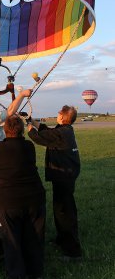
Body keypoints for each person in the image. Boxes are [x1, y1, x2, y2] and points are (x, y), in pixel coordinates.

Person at [0, 115, 46, 279]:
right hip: (34, 199)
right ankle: (35, 273)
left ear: (4, 130)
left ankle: (16, 276)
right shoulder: (29, 146)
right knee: (33, 237)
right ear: (22, 130)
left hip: (8, 202)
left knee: (12, 241)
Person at [27, 105, 82, 260]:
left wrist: (30, 128)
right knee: (60, 208)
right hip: (65, 176)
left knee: (65, 212)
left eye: (59, 113)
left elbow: (39, 137)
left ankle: (73, 252)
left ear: (63, 117)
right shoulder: (64, 130)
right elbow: (47, 130)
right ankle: (61, 239)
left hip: (64, 176)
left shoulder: (62, 133)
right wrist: (31, 120)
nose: (57, 114)